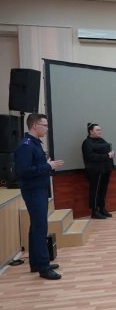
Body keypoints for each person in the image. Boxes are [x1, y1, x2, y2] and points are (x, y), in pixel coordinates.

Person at [14, 113, 64, 280]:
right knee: (40, 227)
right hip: (33, 191)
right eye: (45, 125)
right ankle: (43, 267)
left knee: (36, 226)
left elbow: (36, 165)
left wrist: (46, 165)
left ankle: (35, 263)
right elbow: (23, 171)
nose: (47, 129)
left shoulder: (35, 143)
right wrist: (47, 166)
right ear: (35, 126)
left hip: (39, 189)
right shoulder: (26, 146)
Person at [81, 123, 115, 219]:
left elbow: (107, 151)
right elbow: (91, 156)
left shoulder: (102, 140)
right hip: (95, 171)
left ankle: (102, 209)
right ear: (90, 131)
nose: (100, 131)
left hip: (106, 169)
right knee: (95, 191)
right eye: (97, 130)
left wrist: (111, 154)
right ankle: (94, 211)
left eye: (100, 130)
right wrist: (107, 155)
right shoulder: (87, 143)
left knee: (103, 190)